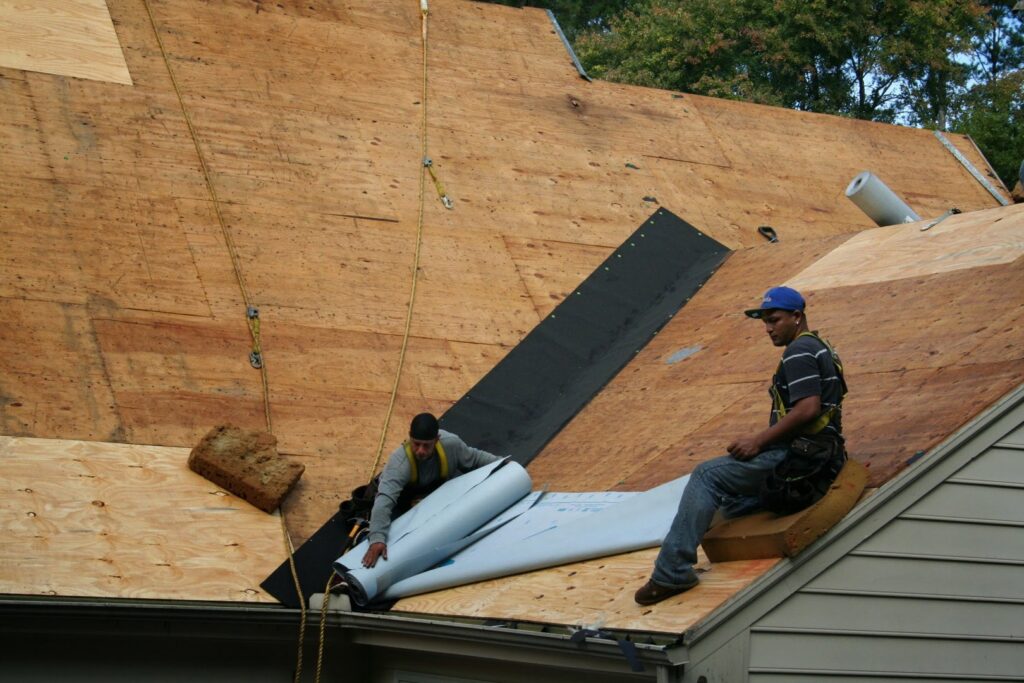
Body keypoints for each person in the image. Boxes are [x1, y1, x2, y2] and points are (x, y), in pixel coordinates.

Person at [634, 286, 846, 605]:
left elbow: (808, 409)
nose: (768, 328)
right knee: (730, 503)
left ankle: (671, 574)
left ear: (797, 316)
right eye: (764, 321)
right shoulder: (820, 347)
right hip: (822, 457)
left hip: (799, 458)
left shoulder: (799, 352)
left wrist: (757, 441)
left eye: (774, 320)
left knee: (707, 476)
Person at [361, 413, 501, 568]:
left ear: (437, 440)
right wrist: (377, 539)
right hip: (402, 503)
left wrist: (502, 464)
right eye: (416, 444)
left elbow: (475, 458)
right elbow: (384, 500)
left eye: (426, 445)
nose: (420, 450)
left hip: (431, 499)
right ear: (409, 438)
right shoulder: (400, 463)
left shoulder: (451, 445)